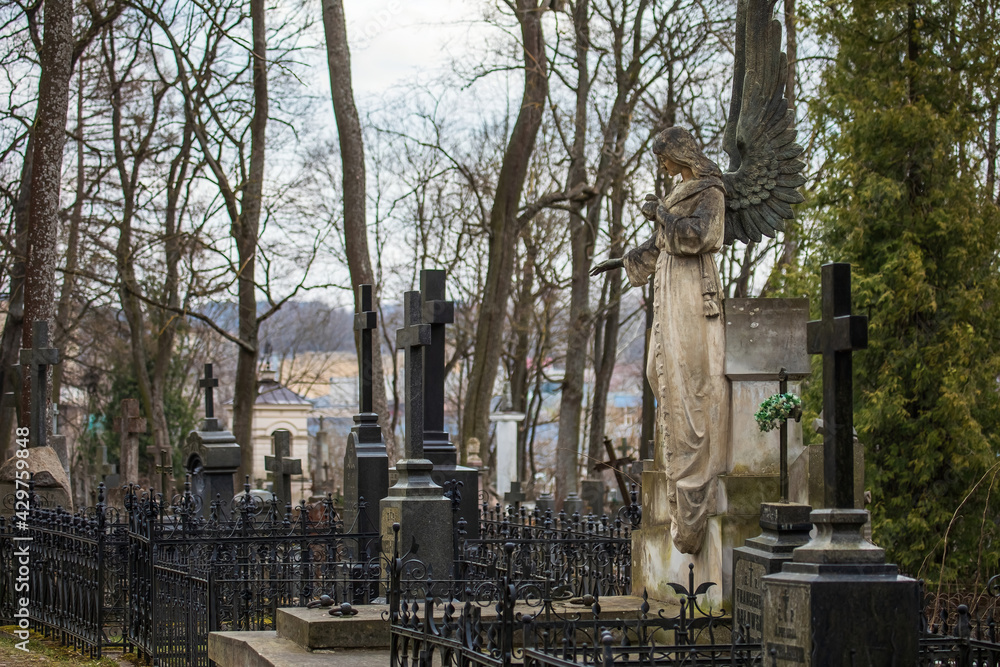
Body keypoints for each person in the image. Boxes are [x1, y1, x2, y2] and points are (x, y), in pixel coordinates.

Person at [592, 127, 730, 554]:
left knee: (689, 383)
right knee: (658, 372)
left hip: (693, 295)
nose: (664, 166)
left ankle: (696, 483)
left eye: (665, 158)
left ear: (680, 154)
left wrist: (661, 215)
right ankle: (678, 480)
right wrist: (620, 261)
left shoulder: (711, 192)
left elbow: (695, 238)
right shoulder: (678, 193)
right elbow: (658, 247)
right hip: (669, 294)